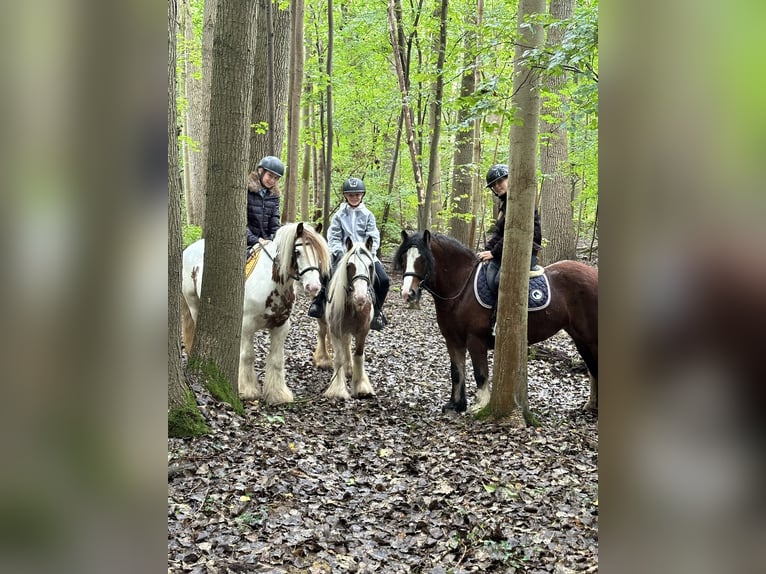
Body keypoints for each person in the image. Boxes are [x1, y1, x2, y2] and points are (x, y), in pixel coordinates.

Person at [307, 177, 390, 331]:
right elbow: (334, 237)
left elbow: (373, 236)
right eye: (351, 195)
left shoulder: (368, 215)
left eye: (357, 195)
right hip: (344, 255)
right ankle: (318, 303)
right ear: (346, 196)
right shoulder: (339, 216)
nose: (354, 198)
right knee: (325, 271)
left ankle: (377, 311)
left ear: (362, 195)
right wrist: (340, 253)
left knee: (384, 280)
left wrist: (368, 253)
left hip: (365, 255)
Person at [477, 163, 543, 334]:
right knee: (488, 273)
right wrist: (486, 251)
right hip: (509, 251)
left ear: (510, 179)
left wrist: (493, 253)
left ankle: (506, 320)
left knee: (502, 279)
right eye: (493, 185)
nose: (497, 187)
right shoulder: (505, 205)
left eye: (500, 181)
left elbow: (513, 235)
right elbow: (499, 234)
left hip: (525, 250)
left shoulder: (520, 202)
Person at [246, 155, 284, 249]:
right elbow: (240, 224)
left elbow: (274, 223)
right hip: (247, 243)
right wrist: (256, 240)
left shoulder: (274, 196)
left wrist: (273, 239)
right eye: (270, 176)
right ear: (260, 171)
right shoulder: (246, 191)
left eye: (276, 178)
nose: (272, 180)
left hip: (266, 243)